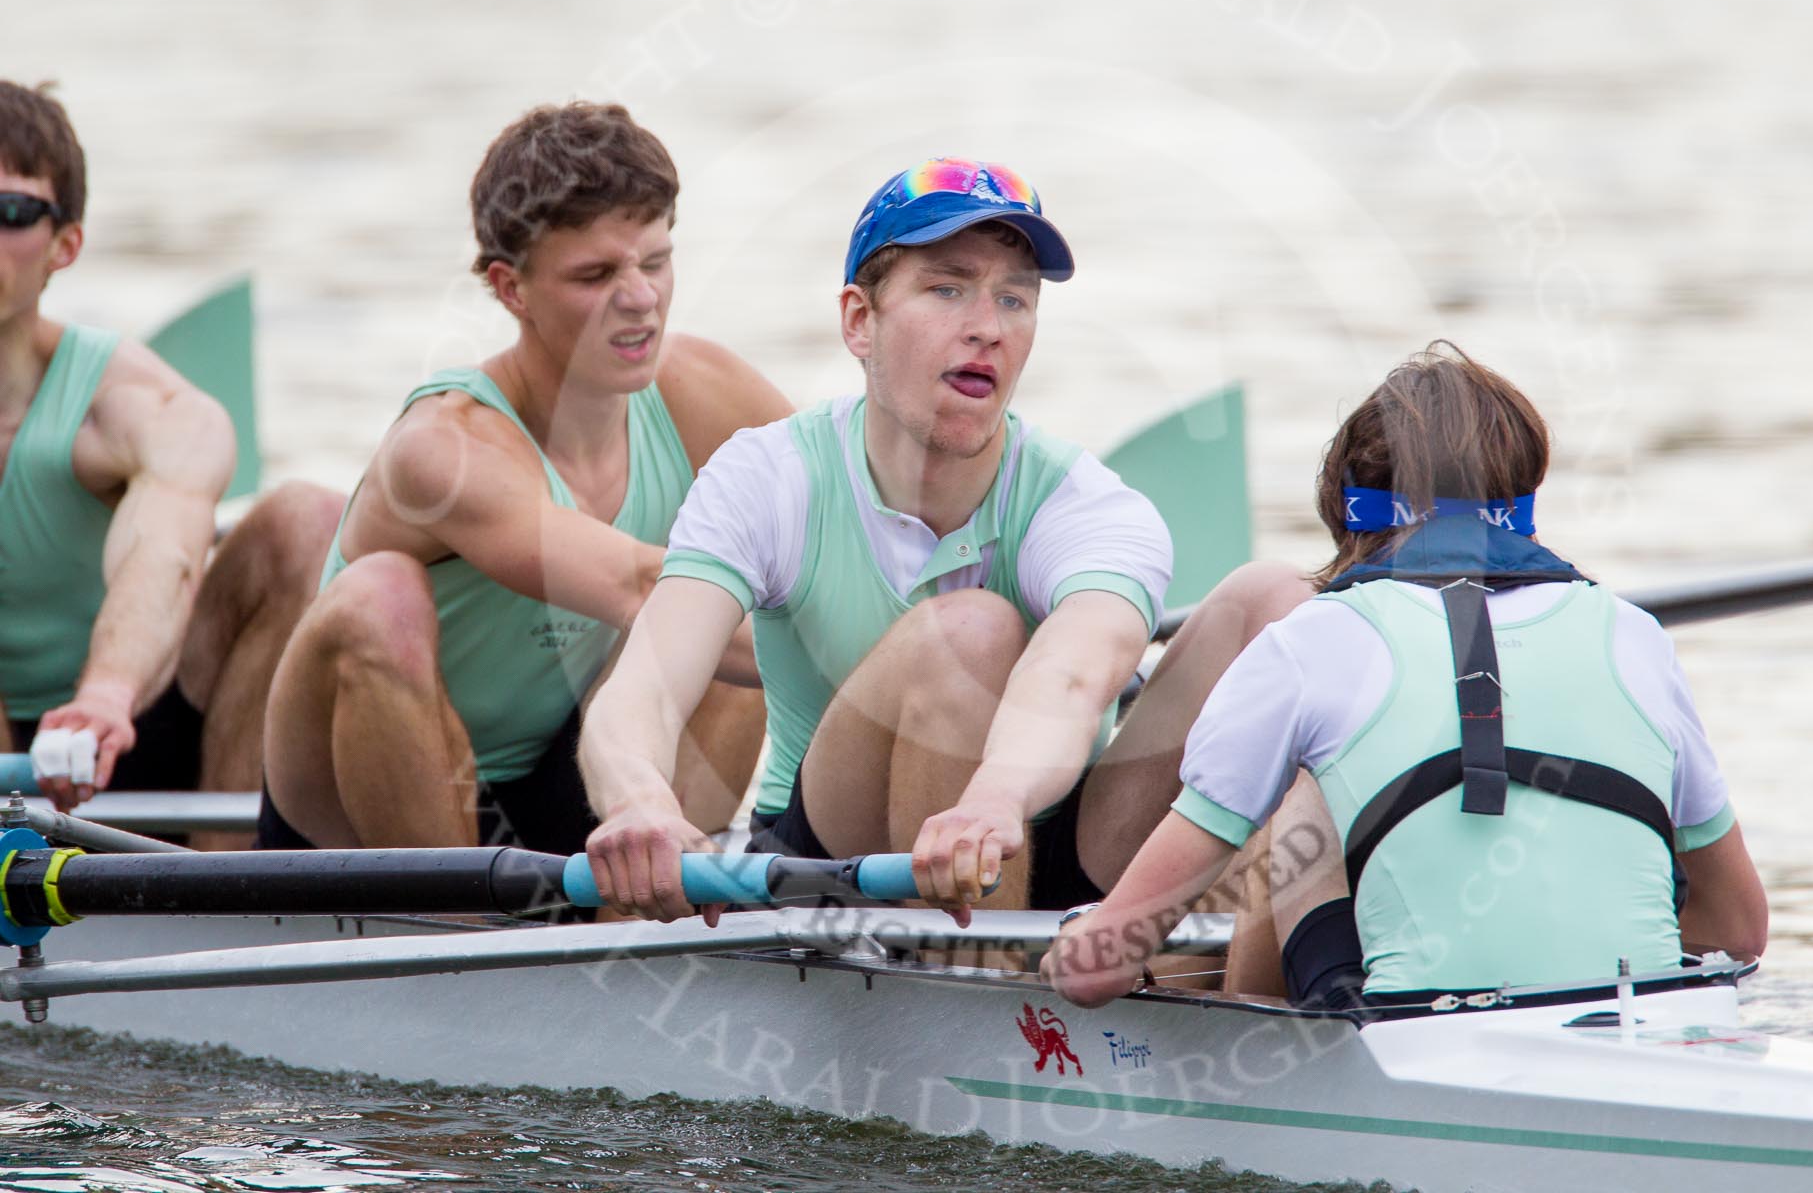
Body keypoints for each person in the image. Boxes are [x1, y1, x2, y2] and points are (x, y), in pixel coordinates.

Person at [584, 156, 1316, 923]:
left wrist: (995, 800)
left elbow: (1077, 676)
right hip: (839, 857)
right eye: (947, 289)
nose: (987, 328)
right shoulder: (770, 475)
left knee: (1279, 601)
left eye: (1014, 298)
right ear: (859, 321)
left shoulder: (1087, 504)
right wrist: (639, 803)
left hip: (1040, 821)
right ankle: (989, 974)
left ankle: (1242, 964)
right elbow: (646, 686)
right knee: (969, 632)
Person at [1043, 343, 1769, 1009]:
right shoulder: (1636, 636)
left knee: (1307, 787)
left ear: (1347, 514)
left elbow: (1095, 973)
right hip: (1641, 1020)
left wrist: (1079, 941)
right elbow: (1738, 931)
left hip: (1405, 1034)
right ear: (1524, 508)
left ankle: (1250, 1027)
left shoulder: (1309, 641)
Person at [258, 102, 789, 855]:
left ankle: (643, 912)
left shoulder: (704, 389)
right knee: (380, 594)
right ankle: (450, 923)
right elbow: (639, 586)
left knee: (769, 590)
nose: (640, 297)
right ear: (512, 289)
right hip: (366, 802)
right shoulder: (445, 447)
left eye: (655, 261)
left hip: (567, 775)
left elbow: (853, 510)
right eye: (596, 274)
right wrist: (861, 651)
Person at [0, 80, 343, 817]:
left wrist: (105, 694)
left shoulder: (128, 400)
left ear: (65, 246)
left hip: (122, 724)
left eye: (11, 212)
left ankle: (231, 866)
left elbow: (164, 547)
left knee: (308, 522)